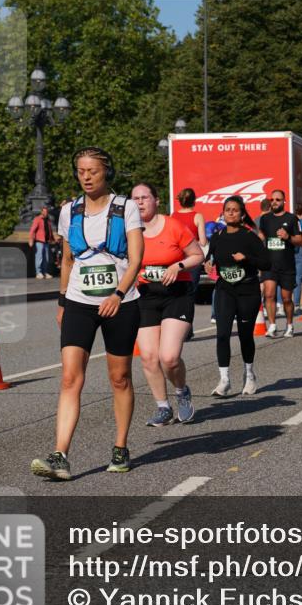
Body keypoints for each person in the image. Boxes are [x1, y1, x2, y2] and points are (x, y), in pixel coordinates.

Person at [31, 147, 143, 480]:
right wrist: (62, 301)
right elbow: (67, 260)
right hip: (79, 299)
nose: (86, 177)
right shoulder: (69, 211)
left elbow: (136, 259)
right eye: (80, 171)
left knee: (119, 377)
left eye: (92, 170)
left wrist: (118, 294)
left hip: (121, 301)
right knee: (69, 377)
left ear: (106, 171)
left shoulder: (126, 208)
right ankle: (59, 455)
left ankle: (120, 447)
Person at [132, 182, 204, 427]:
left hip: (177, 294)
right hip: (146, 297)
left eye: (144, 197)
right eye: (135, 199)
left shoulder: (173, 226)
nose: (140, 202)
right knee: (149, 357)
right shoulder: (130, 231)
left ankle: (182, 391)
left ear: (156, 200)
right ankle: (162, 407)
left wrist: (177, 266)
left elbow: (197, 255)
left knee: (169, 357)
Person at [207, 196, 271, 396]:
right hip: (225, 290)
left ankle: (249, 374)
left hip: (247, 291)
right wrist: (208, 264)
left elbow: (266, 263)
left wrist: (247, 258)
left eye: (235, 210)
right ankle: (224, 380)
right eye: (228, 210)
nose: (231, 213)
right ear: (223, 213)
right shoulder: (217, 237)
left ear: (242, 214)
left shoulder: (249, 237)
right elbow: (211, 257)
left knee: (245, 335)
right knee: (223, 334)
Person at [257, 189, 302, 337]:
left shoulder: (291, 219)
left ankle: (289, 325)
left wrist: (287, 236)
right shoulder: (265, 219)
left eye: (278, 199)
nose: (275, 202)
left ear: (284, 202)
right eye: (273, 199)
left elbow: (300, 241)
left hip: (287, 265)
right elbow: (262, 235)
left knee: (286, 299)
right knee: (269, 295)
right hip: (270, 264)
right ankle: (273, 326)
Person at [171, 187, 206, 340]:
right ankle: (188, 329)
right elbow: (203, 241)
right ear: (194, 200)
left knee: (176, 294)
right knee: (189, 295)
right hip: (192, 260)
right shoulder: (197, 216)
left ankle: (175, 327)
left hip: (176, 260)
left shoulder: (173, 216)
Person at [29, 206, 56, 279]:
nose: (45, 213)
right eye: (44, 211)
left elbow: (50, 231)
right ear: (41, 212)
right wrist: (31, 240)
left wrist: (53, 239)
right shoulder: (37, 219)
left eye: (46, 212)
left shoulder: (48, 220)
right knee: (39, 257)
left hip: (46, 242)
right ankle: (38, 272)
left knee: (46, 259)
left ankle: (45, 272)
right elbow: (32, 230)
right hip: (39, 241)